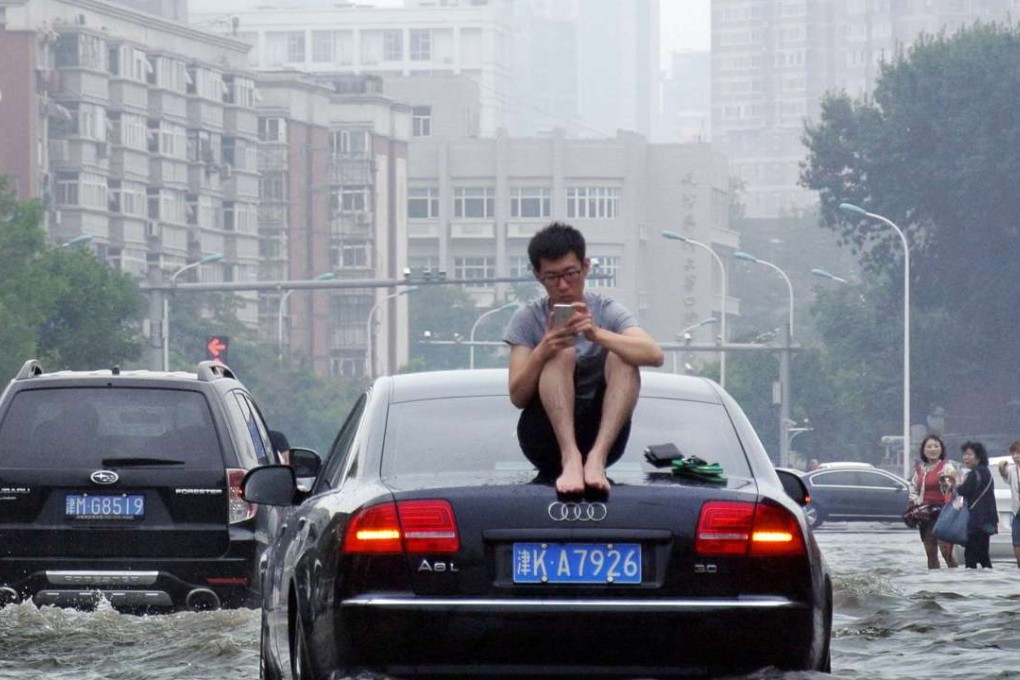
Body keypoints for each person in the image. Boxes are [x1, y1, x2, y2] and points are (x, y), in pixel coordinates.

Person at [503, 222, 664, 494]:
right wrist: (543, 349)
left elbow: (654, 354)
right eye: (552, 277)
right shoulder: (527, 319)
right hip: (545, 438)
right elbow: (518, 396)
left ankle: (595, 460)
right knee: (561, 352)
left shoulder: (608, 310)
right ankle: (571, 458)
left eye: (571, 274)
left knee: (624, 356)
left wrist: (596, 334)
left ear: (586, 267)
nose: (563, 285)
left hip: (600, 439)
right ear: (537, 276)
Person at [907, 435, 958, 569]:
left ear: (941, 449)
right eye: (929, 447)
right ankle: (933, 584)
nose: (933, 449)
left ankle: (956, 581)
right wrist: (915, 502)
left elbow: (955, 487)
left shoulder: (947, 467)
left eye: (936, 446)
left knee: (946, 551)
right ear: (924, 451)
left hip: (943, 513)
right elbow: (913, 488)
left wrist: (947, 481)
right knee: (930, 552)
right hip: (925, 513)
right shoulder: (920, 469)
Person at [955, 440, 998, 569]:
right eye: (964, 454)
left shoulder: (975, 473)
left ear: (978, 457)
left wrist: (957, 482)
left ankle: (971, 586)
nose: (965, 458)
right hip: (988, 520)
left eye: (969, 454)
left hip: (976, 521)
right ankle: (989, 584)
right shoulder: (986, 472)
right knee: (984, 556)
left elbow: (963, 491)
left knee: (970, 556)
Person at [997, 440, 1020, 568]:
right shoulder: (1012, 470)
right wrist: (1001, 466)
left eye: (1019, 453)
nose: (1016, 456)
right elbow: (1004, 474)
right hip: (1017, 512)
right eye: (1014, 453)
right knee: (1016, 543)